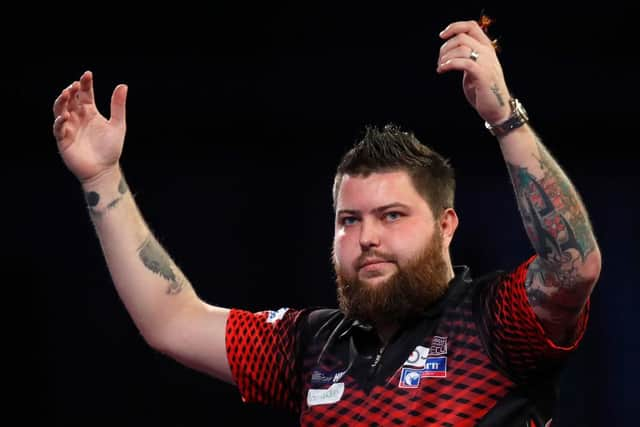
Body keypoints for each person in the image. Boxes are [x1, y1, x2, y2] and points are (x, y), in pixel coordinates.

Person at [52, 19, 600, 426]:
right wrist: (102, 178)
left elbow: (574, 267)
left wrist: (504, 117)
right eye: (348, 220)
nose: (367, 237)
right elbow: (171, 321)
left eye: (392, 216)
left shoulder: (494, 322)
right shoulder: (311, 347)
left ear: (445, 225)